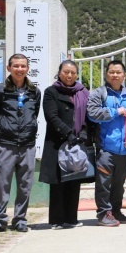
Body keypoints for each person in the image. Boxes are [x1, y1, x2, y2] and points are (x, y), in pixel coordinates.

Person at [0, 54, 42, 234]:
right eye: (16, 66)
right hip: (6, 144)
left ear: (28, 69)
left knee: (25, 185)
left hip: (27, 144)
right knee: (2, 184)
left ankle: (20, 219)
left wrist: (27, 131)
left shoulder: (34, 92)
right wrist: (4, 132)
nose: (20, 69)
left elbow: (34, 114)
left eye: (23, 66)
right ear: (9, 68)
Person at [39, 60, 92, 229]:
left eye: (73, 72)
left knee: (74, 180)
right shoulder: (51, 92)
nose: (69, 75)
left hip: (77, 142)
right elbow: (51, 116)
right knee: (58, 182)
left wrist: (83, 133)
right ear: (59, 73)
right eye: (66, 72)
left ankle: (71, 219)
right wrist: (68, 133)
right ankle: (57, 220)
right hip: (58, 142)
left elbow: (88, 116)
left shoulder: (83, 92)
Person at [87, 60, 126, 227]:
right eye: (111, 72)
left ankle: (116, 211)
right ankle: (103, 213)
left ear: (124, 75)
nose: (115, 75)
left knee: (118, 184)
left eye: (118, 72)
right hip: (106, 148)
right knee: (104, 184)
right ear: (106, 74)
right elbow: (92, 113)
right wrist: (116, 112)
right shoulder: (99, 93)